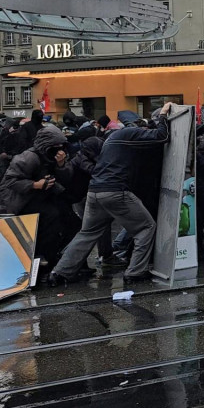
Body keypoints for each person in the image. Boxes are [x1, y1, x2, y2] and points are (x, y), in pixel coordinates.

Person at [48, 101, 173, 286]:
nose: (145, 130)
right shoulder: (131, 133)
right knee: (146, 227)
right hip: (114, 191)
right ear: (138, 125)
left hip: (94, 192)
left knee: (87, 233)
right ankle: (135, 272)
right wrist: (164, 115)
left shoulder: (112, 139)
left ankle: (59, 273)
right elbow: (162, 136)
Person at [0, 125, 79, 271]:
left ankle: (53, 254)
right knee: (51, 217)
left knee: (70, 220)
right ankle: (41, 254)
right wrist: (35, 184)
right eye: (55, 146)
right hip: (21, 200)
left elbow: (67, 177)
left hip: (42, 196)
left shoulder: (53, 157)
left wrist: (61, 165)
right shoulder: (28, 157)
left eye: (61, 146)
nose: (59, 149)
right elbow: (11, 180)